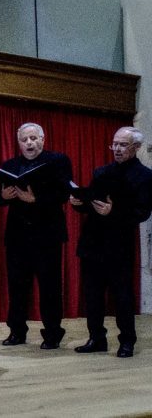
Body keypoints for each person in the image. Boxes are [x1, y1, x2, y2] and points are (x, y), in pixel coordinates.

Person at [70, 127, 152, 358]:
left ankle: (127, 342)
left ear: (135, 148)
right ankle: (96, 338)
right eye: (114, 144)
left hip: (119, 245)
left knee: (122, 296)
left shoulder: (145, 176)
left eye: (122, 145)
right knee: (93, 295)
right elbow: (93, 203)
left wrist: (113, 212)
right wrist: (79, 202)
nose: (116, 149)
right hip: (93, 242)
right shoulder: (102, 171)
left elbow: (142, 212)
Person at [0, 122, 72, 349]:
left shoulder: (58, 161)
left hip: (47, 235)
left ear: (42, 139)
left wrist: (35, 199)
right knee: (17, 287)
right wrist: (5, 195)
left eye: (33, 138)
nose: (29, 143)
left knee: (49, 287)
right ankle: (17, 331)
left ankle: (52, 333)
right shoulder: (10, 165)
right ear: (18, 142)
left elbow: (63, 193)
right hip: (18, 236)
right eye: (24, 140)